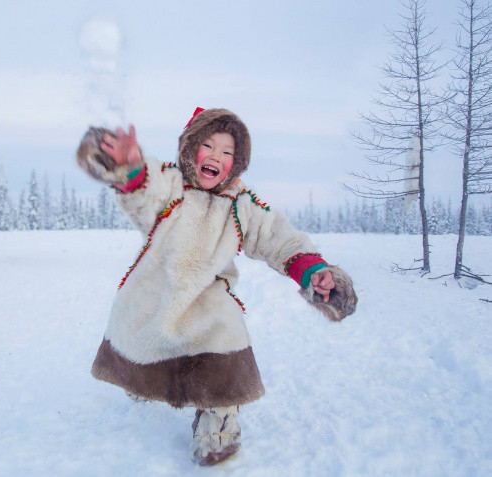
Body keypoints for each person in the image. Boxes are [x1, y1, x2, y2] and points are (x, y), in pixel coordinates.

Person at [76, 107, 358, 466]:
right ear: (190, 147)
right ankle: (143, 383)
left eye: (227, 152)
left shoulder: (241, 202)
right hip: (155, 290)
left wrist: (311, 269)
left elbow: (276, 237)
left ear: (237, 162)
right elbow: (143, 191)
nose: (216, 157)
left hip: (210, 294)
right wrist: (128, 167)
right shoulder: (170, 182)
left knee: (227, 346)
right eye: (208, 146)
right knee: (144, 348)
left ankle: (218, 426)